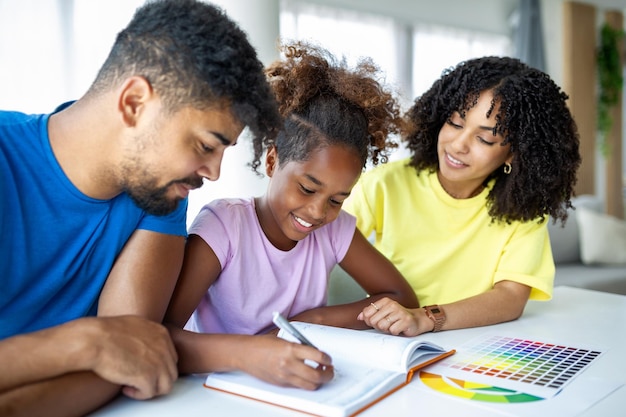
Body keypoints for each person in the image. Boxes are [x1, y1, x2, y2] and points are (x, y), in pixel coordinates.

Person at [0, 0, 281, 416]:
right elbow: (112, 347)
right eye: (206, 145)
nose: (214, 173)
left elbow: (134, 358)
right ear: (134, 102)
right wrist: (88, 342)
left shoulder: (160, 191)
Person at [164, 42, 419, 388]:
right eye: (307, 188)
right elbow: (162, 337)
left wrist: (310, 321)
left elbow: (401, 297)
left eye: (337, 199)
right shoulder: (223, 227)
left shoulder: (334, 230)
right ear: (272, 162)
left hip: (294, 391)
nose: (317, 212)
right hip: (217, 392)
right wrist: (252, 353)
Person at [346, 56, 581, 336]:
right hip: (395, 338)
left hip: (480, 339)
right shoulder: (385, 185)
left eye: (484, 139)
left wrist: (426, 318)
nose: (458, 145)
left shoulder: (523, 210)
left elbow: (510, 297)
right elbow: (321, 242)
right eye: (455, 123)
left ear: (514, 152)